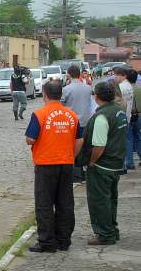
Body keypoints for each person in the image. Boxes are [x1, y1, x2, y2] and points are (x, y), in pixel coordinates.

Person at [24, 81, 82, 253]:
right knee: (65, 202)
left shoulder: (39, 114)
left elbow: (31, 139)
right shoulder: (72, 115)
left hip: (46, 164)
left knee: (44, 204)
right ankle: (64, 240)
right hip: (66, 163)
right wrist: (71, 155)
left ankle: (47, 242)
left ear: (44, 95)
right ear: (60, 95)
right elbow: (79, 139)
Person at [76, 81, 127, 245]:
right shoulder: (119, 111)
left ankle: (104, 234)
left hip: (102, 165)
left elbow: (99, 145)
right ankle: (112, 230)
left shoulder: (102, 116)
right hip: (116, 163)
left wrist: (91, 162)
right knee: (111, 199)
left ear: (97, 97)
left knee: (100, 201)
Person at [61, 65, 94, 182]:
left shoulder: (66, 89)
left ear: (69, 74)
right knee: (84, 147)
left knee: (72, 148)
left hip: (72, 122)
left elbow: (61, 105)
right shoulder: (87, 88)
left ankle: (76, 174)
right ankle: (83, 172)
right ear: (79, 74)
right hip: (86, 121)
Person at [113, 66, 134, 173]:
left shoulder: (121, 87)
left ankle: (122, 166)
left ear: (124, 76)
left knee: (119, 144)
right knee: (125, 141)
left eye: (117, 75)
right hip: (127, 115)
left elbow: (118, 102)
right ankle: (125, 164)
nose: (115, 77)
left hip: (122, 117)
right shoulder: (129, 85)